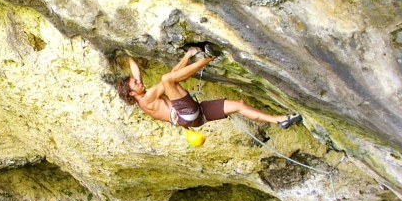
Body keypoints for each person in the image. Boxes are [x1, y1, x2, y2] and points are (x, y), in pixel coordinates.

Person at [116, 46, 302, 129]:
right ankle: (207, 59)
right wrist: (191, 57)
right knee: (166, 79)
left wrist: (126, 52)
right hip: (186, 114)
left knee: (238, 105)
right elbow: (169, 79)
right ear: (133, 93)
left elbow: (140, 73)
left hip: (196, 118)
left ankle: (280, 120)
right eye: (135, 84)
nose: (139, 81)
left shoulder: (142, 94)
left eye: (136, 80)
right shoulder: (147, 100)